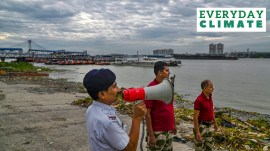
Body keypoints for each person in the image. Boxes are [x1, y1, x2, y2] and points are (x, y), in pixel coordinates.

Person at [83, 68, 147, 151]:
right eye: (114, 86)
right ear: (102, 94)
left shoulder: (92, 109)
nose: (118, 89)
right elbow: (130, 149)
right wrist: (137, 118)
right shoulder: (106, 122)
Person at [144, 61, 177, 151]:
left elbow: (170, 107)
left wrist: (173, 124)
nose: (169, 72)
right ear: (160, 72)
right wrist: (151, 135)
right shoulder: (151, 89)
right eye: (167, 70)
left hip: (168, 130)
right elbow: (147, 114)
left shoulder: (168, 87)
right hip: (157, 132)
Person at [193, 80, 218, 151]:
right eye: (211, 87)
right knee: (199, 148)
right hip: (201, 127)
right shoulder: (199, 100)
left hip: (209, 126)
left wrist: (215, 124)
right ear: (204, 88)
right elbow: (195, 117)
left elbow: (211, 111)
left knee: (210, 147)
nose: (213, 89)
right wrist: (197, 132)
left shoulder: (210, 97)